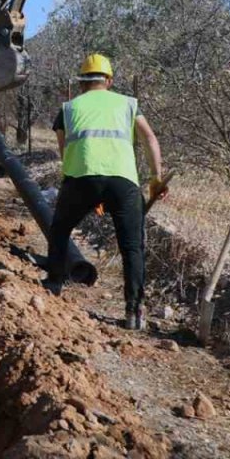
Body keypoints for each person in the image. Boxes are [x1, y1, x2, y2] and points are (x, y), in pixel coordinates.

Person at [43, 53, 167, 330]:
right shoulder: (128, 104)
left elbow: (65, 151)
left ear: (81, 83)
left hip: (80, 178)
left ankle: (53, 284)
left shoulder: (68, 108)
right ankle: (134, 312)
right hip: (122, 181)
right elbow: (149, 138)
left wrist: (89, 194)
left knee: (60, 230)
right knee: (132, 246)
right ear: (109, 80)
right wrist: (156, 179)